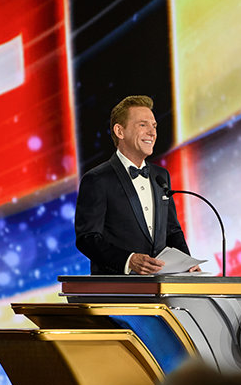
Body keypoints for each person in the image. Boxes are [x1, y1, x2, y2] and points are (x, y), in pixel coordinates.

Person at [75, 95, 197, 275]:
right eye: (143, 125)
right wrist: (128, 260)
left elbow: (172, 231)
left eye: (154, 126)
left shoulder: (161, 176)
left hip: (160, 286)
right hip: (117, 287)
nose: (152, 132)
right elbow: (87, 238)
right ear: (120, 131)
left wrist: (187, 264)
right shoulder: (97, 179)